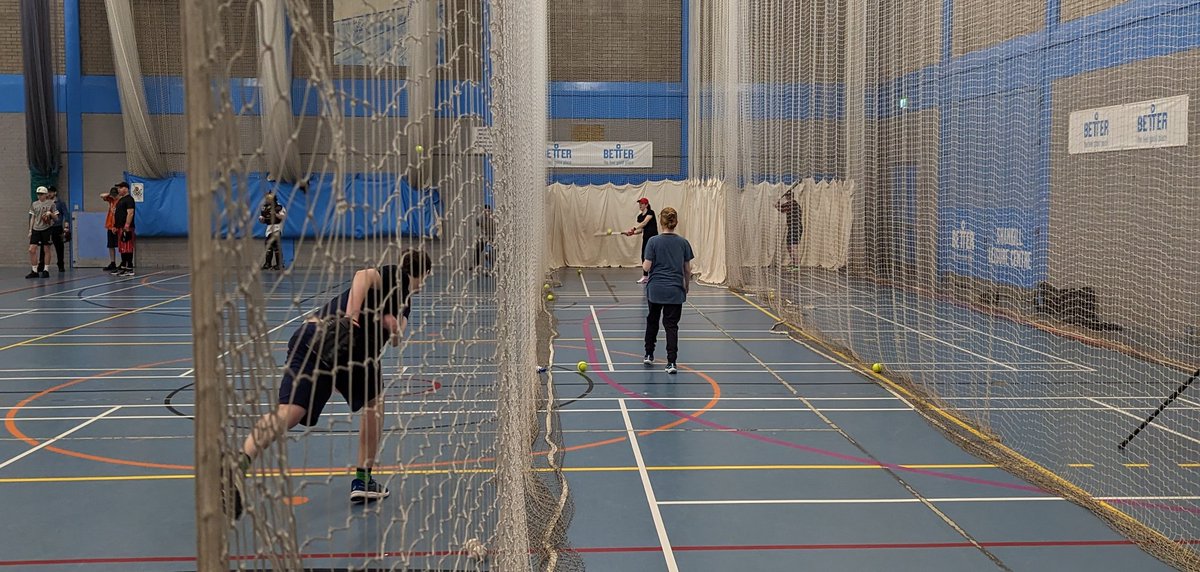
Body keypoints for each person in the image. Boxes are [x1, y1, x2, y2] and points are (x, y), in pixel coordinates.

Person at [228, 248, 434, 519]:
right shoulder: (393, 275)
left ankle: (240, 461)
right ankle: (363, 479)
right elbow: (362, 276)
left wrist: (393, 326)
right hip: (344, 347)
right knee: (375, 406)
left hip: (312, 338)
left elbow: (397, 336)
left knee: (290, 412)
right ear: (422, 274)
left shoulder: (405, 301)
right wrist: (351, 318)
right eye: (426, 277)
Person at [641, 207, 693, 375]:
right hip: (674, 290)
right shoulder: (683, 243)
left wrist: (647, 262)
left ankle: (649, 354)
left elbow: (646, 267)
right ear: (675, 222)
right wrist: (687, 285)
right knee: (671, 326)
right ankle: (671, 363)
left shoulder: (653, 242)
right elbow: (687, 269)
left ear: (661, 222)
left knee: (652, 321)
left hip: (655, 290)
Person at [26, 186, 58, 279]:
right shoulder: (34, 204)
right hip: (36, 229)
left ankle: (46, 270)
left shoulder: (51, 204)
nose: (39, 196)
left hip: (46, 229)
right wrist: (30, 230)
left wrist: (50, 214)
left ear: (46, 194)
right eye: (38, 194)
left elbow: (56, 218)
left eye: (41, 194)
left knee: (46, 249)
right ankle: (34, 270)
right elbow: (33, 218)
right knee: (31, 249)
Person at [624, 197, 657, 284]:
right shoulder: (640, 217)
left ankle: (656, 276)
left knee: (655, 257)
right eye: (639, 204)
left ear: (646, 205)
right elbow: (641, 229)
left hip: (654, 239)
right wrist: (632, 233)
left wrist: (633, 228)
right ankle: (645, 276)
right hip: (646, 238)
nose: (640, 205)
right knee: (644, 256)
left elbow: (644, 223)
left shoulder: (650, 212)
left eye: (642, 204)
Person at [774, 187, 802, 268]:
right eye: (787, 196)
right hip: (792, 228)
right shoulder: (790, 203)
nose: (787, 197)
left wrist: (777, 205)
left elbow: (782, 209)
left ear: (790, 196)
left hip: (796, 228)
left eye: (788, 196)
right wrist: (778, 205)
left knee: (793, 247)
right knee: (789, 246)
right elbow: (782, 208)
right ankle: (793, 263)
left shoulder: (793, 203)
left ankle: (796, 265)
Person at [111, 182, 136, 276]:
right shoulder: (121, 200)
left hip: (126, 228)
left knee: (128, 247)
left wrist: (127, 225)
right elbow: (117, 214)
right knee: (122, 248)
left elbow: (130, 213)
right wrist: (115, 226)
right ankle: (124, 267)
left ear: (126, 189)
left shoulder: (129, 199)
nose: (119, 190)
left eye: (120, 188)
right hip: (120, 227)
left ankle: (129, 268)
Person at [259, 191, 287, 270]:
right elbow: (262, 219)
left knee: (270, 243)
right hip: (269, 228)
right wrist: (262, 219)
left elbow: (283, 217)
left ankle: (277, 264)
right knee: (273, 246)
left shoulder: (279, 207)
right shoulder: (265, 207)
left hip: (277, 227)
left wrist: (275, 214)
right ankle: (270, 264)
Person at [45, 186, 69, 272]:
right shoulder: (45, 203)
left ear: (55, 193)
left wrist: (66, 227)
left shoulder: (60, 203)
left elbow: (66, 214)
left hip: (57, 227)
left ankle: (61, 265)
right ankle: (42, 266)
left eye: (51, 192)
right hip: (47, 227)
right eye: (48, 192)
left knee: (59, 247)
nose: (49, 194)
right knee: (45, 247)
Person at [100, 186, 120, 271]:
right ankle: (113, 263)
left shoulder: (120, 201)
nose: (114, 196)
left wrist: (116, 226)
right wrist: (110, 194)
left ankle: (124, 262)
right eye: (113, 195)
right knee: (111, 245)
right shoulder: (111, 200)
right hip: (110, 225)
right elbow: (101, 195)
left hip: (117, 227)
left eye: (115, 195)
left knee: (121, 246)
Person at [474, 204, 495, 270]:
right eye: (486, 211)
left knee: (492, 252)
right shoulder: (480, 217)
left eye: (488, 211)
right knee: (477, 250)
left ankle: (494, 266)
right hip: (483, 237)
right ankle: (476, 266)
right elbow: (476, 224)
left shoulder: (493, 217)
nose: (487, 212)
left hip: (492, 237)